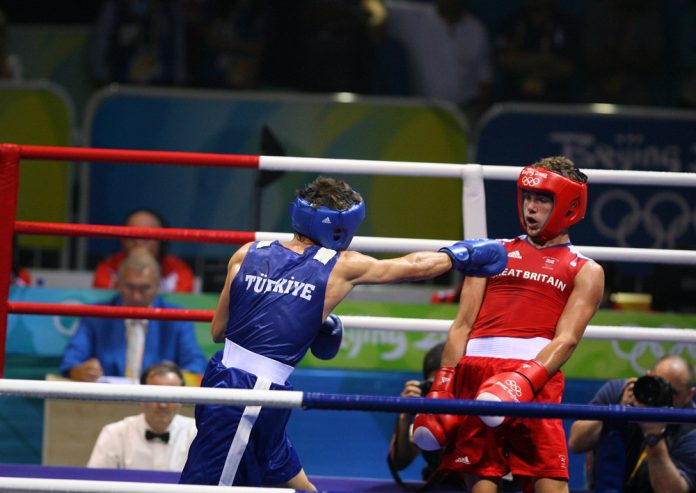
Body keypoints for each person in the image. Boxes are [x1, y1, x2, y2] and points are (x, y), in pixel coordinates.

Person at [179, 176, 508, 489]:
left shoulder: (248, 251)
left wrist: (290, 317)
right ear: (340, 227)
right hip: (253, 394)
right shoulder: (340, 264)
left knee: (296, 483)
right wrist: (460, 255)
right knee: (208, 484)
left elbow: (218, 330)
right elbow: (414, 266)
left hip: (223, 375)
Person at [413, 156, 605, 493]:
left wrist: (522, 381)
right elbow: (462, 326)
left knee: (550, 484)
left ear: (568, 205)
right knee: (482, 483)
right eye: (528, 197)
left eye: (542, 200)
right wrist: (444, 384)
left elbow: (568, 339)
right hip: (476, 372)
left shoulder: (585, 269)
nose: (531, 208)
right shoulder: (492, 253)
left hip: (534, 378)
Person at [61, 248, 206, 382]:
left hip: (159, 400)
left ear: (158, 287)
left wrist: (173, 377)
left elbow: (196, 364)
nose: (136, 297)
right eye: (130, 287)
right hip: (105, 403)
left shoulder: (177, 318)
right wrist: (78, 371)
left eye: (144, 288)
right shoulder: (96, 315)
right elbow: (70, 361)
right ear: (118, 284)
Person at [568, 355, 696, 493]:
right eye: (656, 384)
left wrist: (654, 436)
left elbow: (672, 491)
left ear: (689, 395)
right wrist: (616, 410)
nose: (660, 394)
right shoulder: (621, 392)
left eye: (672, 393)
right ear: (648, 375)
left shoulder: (691, 427)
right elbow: (576, 443)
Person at [381, 0, 493, 122]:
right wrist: (377, 19)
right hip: (426, 112)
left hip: (466, 112)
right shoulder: (414, 18)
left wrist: (481, 119)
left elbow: (484, 81)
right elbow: (375, 5)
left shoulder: (476, 29)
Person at [87, 361, 198, 471]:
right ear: (141, 396)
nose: (163, 405)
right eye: (156, 396)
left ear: (182, 399)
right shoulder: (114, 434)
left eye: (172, 396)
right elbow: (95, 481)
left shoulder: (196, 434)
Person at [93, 208, 195, 293]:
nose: (138, 243)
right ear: (122, 240)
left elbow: (181, 306)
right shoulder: (107, 269)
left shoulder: (179, 271)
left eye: (146, 237)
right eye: (132, 237)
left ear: (161, 240)